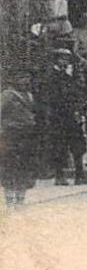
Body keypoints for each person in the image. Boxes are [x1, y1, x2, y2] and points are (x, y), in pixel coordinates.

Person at [40, 49, 87, 186]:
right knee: (59, 145)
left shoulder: (68, 76)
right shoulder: (51, 76)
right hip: (58, 115)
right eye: (62, 58)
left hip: (71, 114)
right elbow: (51, 97)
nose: (65, 61)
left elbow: (76, 92)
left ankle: (80, 175)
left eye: (67, 59)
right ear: (56, 59)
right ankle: (59, 175)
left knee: (78, 144)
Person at [1, 69, 38, 207]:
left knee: (24, 167)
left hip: (26, 134)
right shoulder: (7, 95)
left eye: (27, 77)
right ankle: (10, 200)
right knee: (10, 167)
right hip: (11, 134)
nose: (25, 80)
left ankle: (21, 200)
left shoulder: (29, 95)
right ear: (14, 79)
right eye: (22, 77)